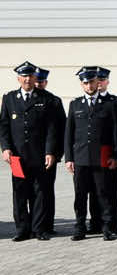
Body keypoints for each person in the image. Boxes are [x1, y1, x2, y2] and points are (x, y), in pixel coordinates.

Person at [0, 61, 59, 241]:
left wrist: (50, 152)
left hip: (39, 154)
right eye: (24, 76)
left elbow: (51, 129)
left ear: (35, 78)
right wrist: (6, 148)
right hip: (17, 156)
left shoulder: (46, 99)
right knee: (20, 192)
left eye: (30, 76)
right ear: (18, 78)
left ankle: (38, 229)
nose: (27, 79)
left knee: (39, 192)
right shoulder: (9, 99)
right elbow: (4, 126)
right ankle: (22, 229)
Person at [65, 67, 117, 241]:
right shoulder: (75, 104)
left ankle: (106, 228)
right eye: (86, 83)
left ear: (98, 82)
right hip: (81, 158)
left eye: (92, 82)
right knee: (80, 196)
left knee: (103, 195)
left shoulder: (109, 105)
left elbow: (115, 133)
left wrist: (115, 156)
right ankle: (79, 227)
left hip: (102, 157)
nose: (89, 85)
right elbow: (69, 134)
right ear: (82, 84)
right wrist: (69, 158)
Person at [34, 66, 65, 236]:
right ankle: (32, 225)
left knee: (46, 191)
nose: (38, 84)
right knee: (29, 192)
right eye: (36, 81)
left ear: (46, 82)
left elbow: (60, 129)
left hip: (49, 155)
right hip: (29, 154)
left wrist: (56, 153)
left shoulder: (54, 101)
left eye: (41, 81)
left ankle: (47, 225)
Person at [96, 67, 117, 235]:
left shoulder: (116, 102)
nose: (99, 83)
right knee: (95, 190)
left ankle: (112, 223)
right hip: (92, 154)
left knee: (111, 190)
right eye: (96, 80)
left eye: (102, 80)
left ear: (107, 82)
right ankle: (96, 223)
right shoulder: (86, 102)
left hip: (109, 152)